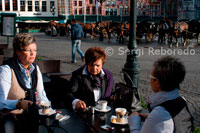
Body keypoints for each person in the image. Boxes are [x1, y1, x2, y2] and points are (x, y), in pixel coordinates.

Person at [128, 56, 193, 133]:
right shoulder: (183, 101)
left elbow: (161, 118)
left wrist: (134, 122)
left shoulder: (160, 113)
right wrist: (149, 117)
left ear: (157, 83)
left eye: (151, 77)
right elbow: (171, 121)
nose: (150, 80)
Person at [0, 33, 49, 132]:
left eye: (34, 50)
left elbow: (41, 95)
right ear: (18, 52)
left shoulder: (35, 68)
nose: (33, 54)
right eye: (28, 50)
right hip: (11, 116)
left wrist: (47, 107)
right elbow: (1, 102)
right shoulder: (6, 70)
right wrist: (19, 103)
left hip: (31, 116)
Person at [66, 47, 114, 111]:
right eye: (91, 65)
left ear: (102, 64)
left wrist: (113, 97)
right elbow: (68, 93)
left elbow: (111, 92)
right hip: (84, 112)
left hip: (103, 111)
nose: (94, 69)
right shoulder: (78, 75)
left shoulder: (108, 76)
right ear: (87, 63)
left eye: (97, 65)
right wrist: (76, 101)